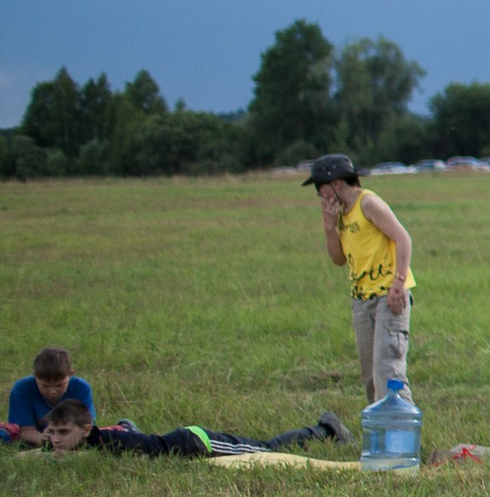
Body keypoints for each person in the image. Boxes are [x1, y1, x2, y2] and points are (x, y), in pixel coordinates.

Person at [305, 154, 415, 405]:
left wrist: (398, 284)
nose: (319, 194)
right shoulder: (341, 214)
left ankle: (402, 436)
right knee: (370, 377)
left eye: (320, 187)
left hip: (388, 296)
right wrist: (329, 227)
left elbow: (403, 238)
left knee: (388, 372)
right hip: (361, 300)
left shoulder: (369, 204)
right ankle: (380, 436)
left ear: (336, 182)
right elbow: (338, 259)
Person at [29, 397, 349, 457]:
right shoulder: (93, 440)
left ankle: (325, 430)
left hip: (197, 444)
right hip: (184, 441)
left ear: (86, 430)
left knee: (265, 448)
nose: (56, 439)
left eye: (63, 433)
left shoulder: (102, 443)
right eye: (53, 433)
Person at [5, 345, 95, 442]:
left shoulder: (81, 388)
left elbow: (86, 427)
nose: (53, 391)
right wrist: (44, 440)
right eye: (45, 386)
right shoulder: (22, 388)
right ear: (35, 376)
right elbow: (25, 431)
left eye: (59, 385)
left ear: (70, 374)